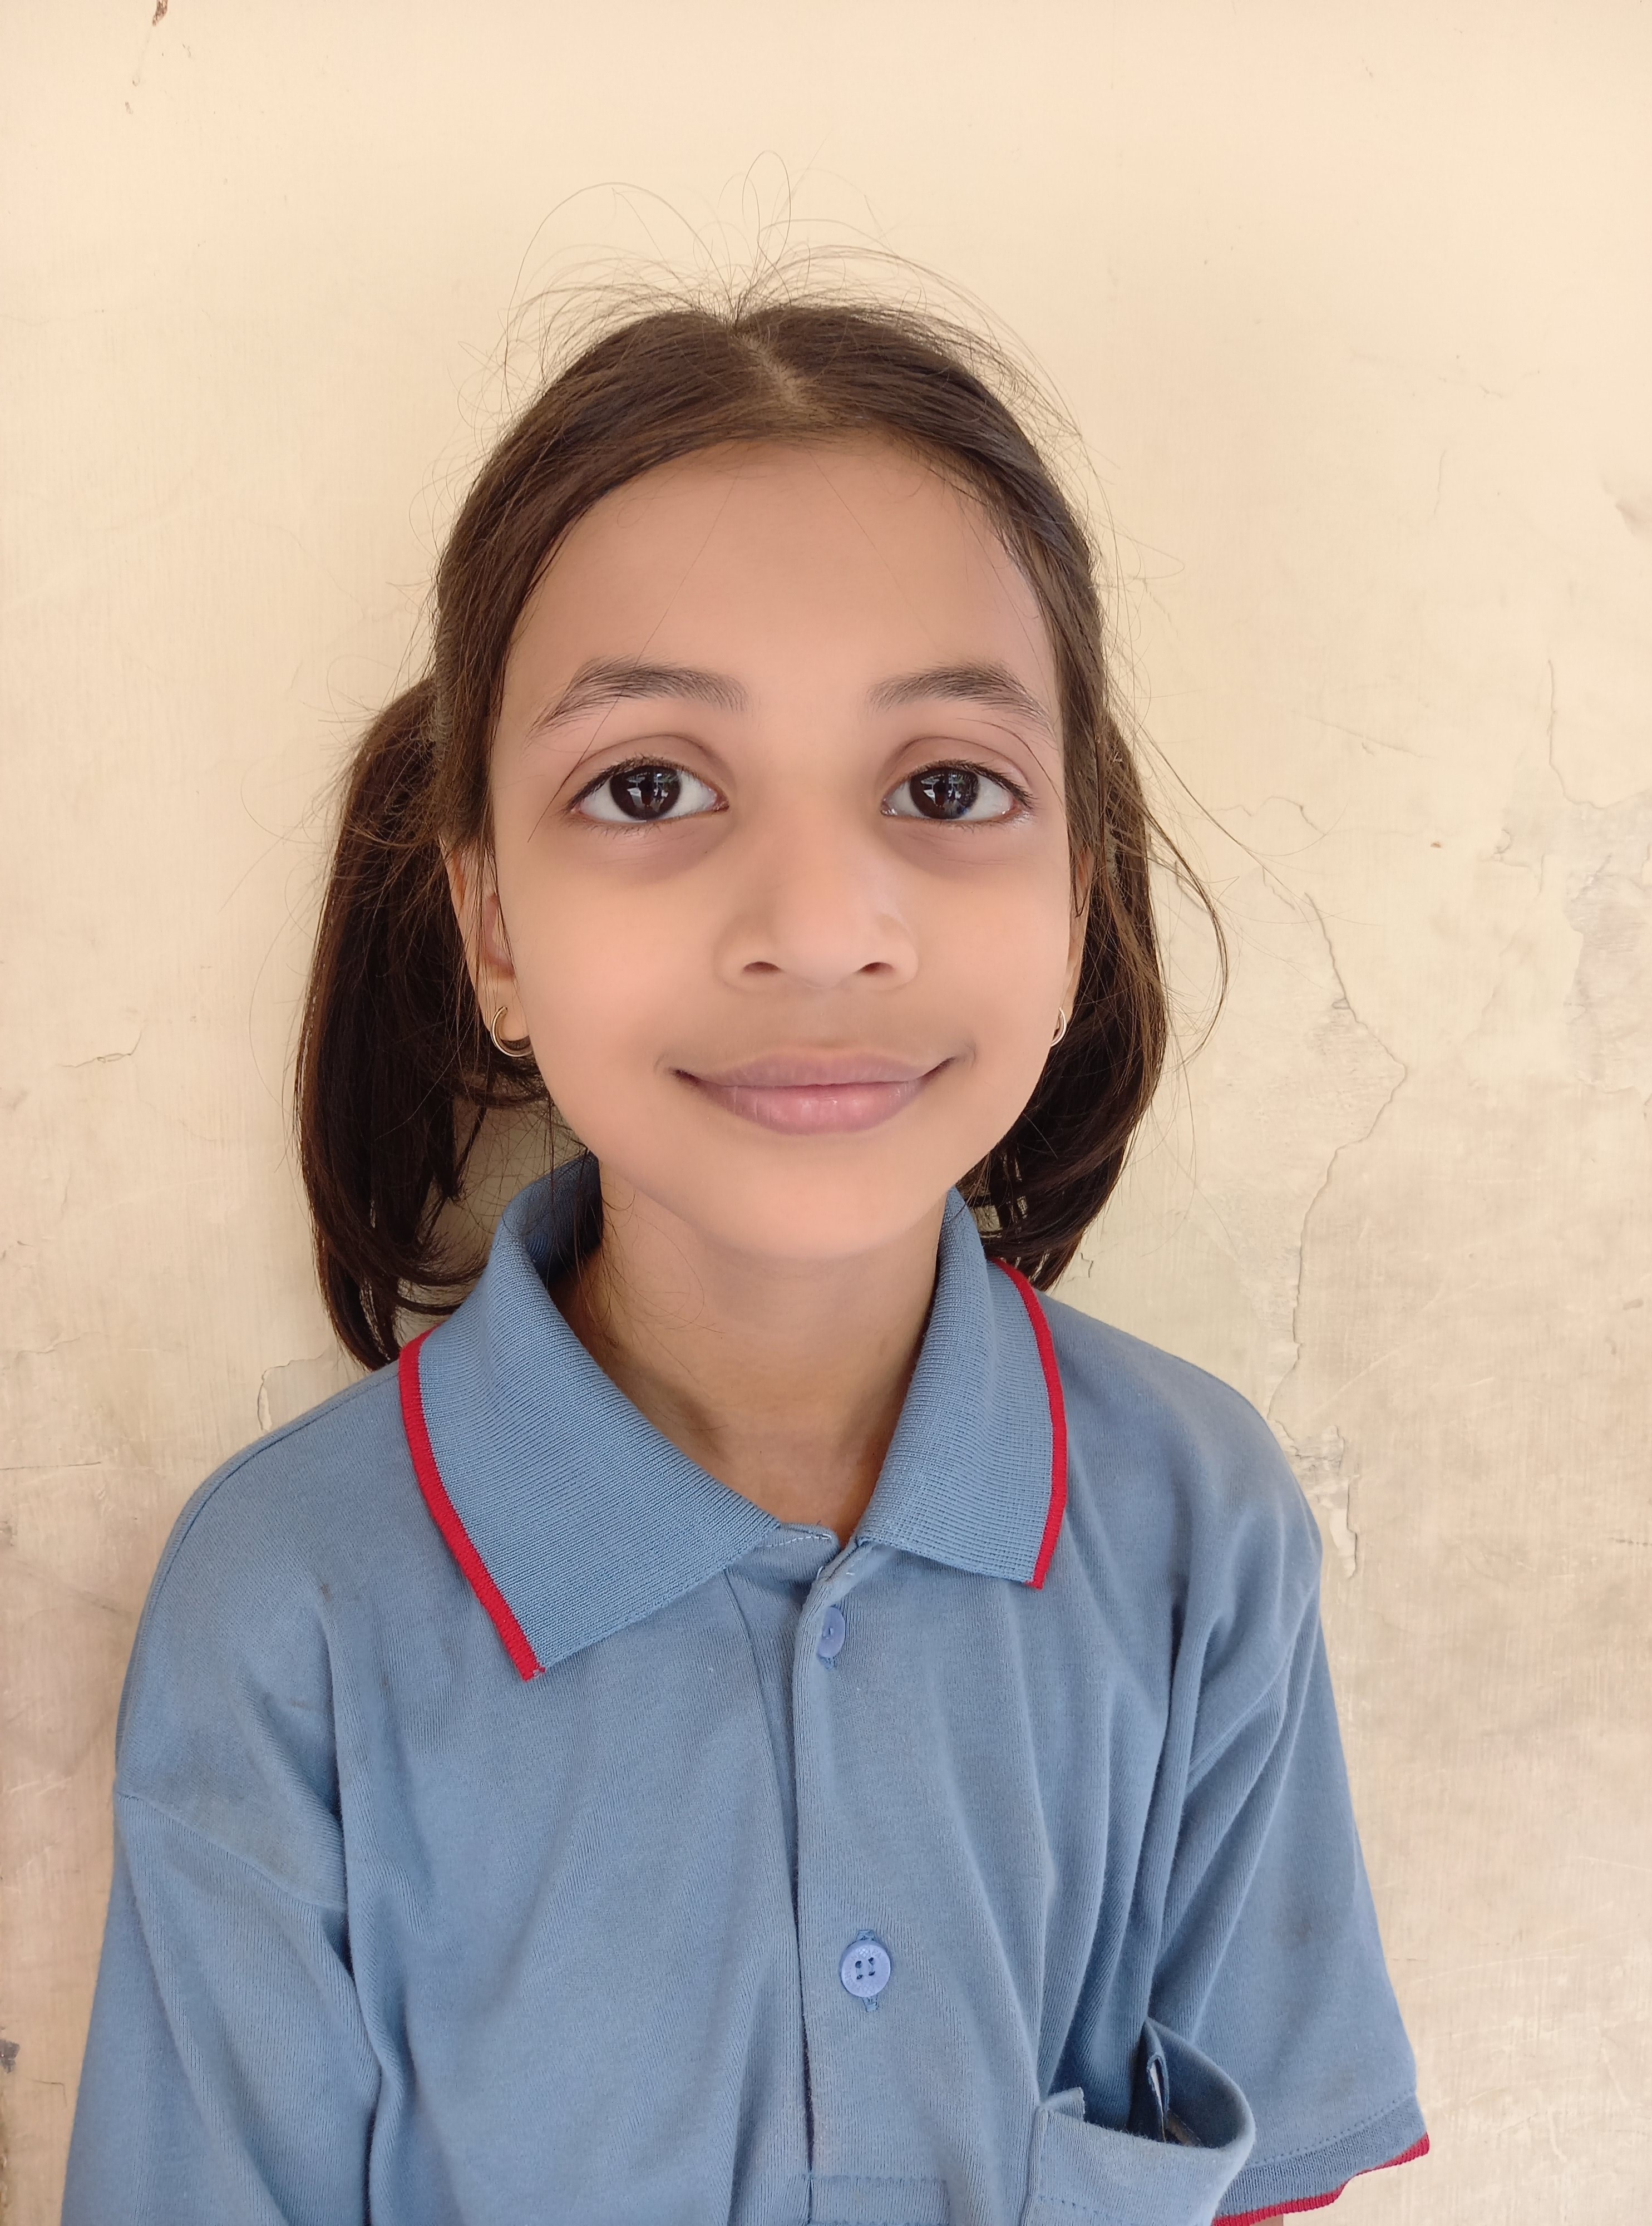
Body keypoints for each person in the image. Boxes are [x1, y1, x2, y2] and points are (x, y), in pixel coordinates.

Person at [62, 285, 1427, 2226]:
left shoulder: (1198, 1528)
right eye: (650, 787)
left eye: (946, 788)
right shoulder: (293, 1607)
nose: (818, 921)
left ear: (1076, 899)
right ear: (493, 928)